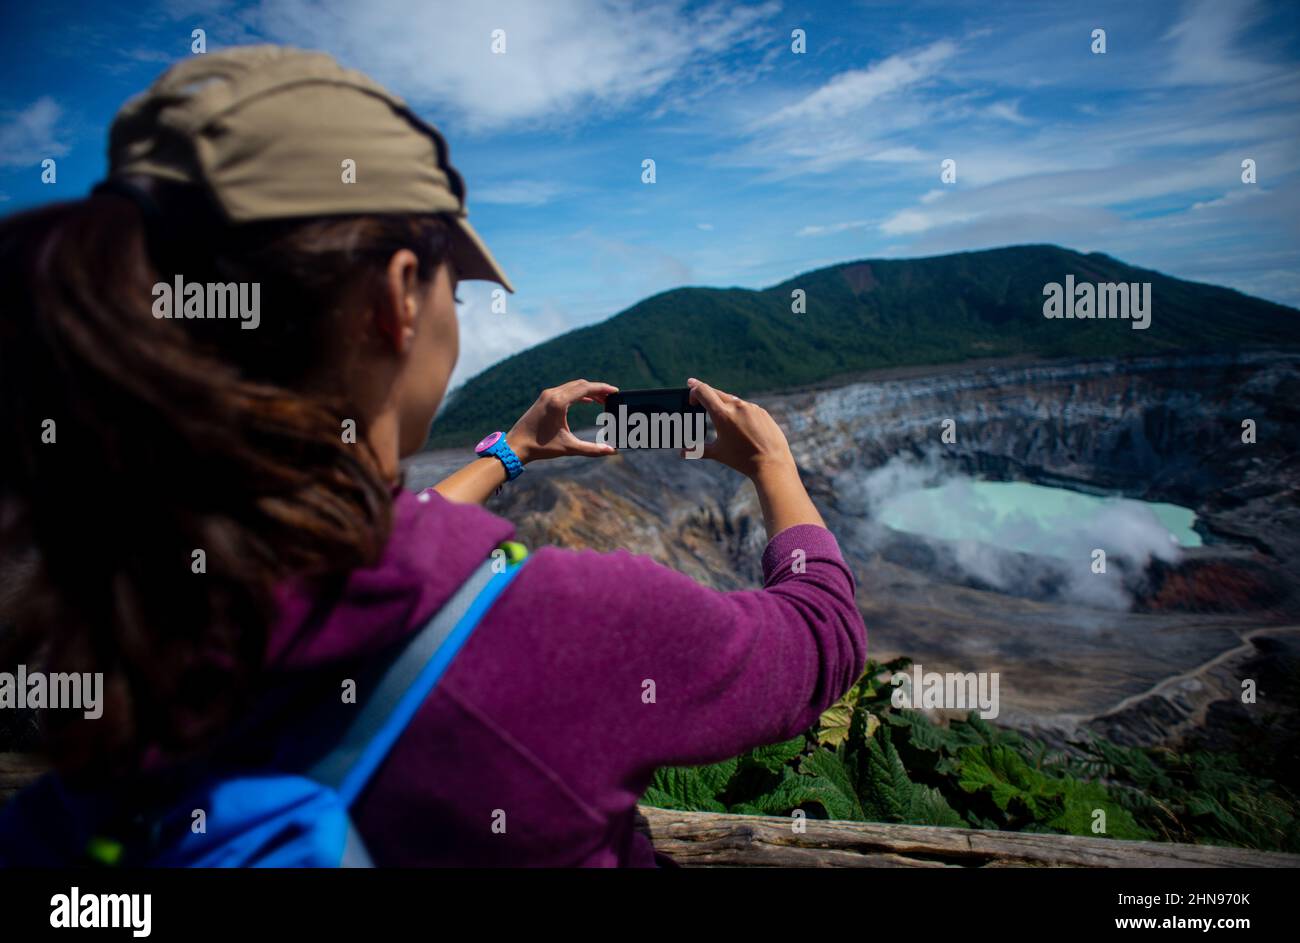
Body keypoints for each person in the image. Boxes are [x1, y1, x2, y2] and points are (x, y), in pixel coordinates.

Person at [0, 45, 867, 866]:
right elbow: (819, 640)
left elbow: (364, 553)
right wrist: (773, 470)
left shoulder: (116, 605)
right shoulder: (571, 631)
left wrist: (511, 451)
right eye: (455, 284)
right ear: (397, 298)